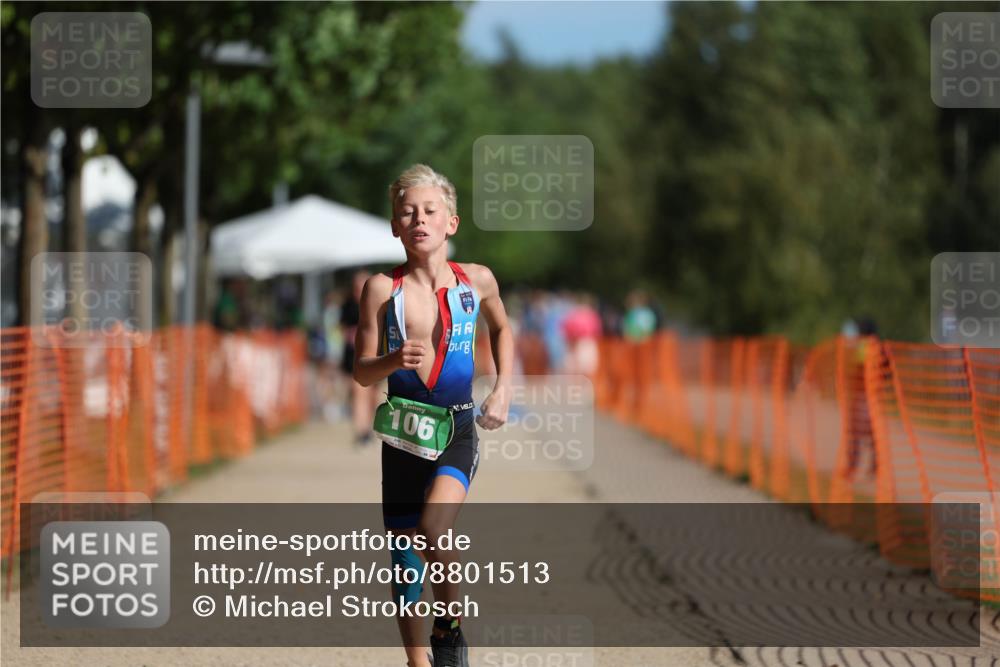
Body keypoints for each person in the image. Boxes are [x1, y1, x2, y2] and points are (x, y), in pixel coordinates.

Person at [353, 164, 513, 667]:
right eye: (407, 212)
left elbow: (504, 330)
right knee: (404, 562)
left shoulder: (478, 280)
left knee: (433, 529)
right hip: (403, 434)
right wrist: (392, 361)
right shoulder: (382, 290)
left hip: (457, 428)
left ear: (452, 223)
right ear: (395, 227)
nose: (419, 219)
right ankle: (418, 662)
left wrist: (504, 389)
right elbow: (360, 372)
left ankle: (450, 625)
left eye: (429, 211)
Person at [342, 271, 381, 445]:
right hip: (353, 356)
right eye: (357, 285)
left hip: (377, 355)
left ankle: (370, 426)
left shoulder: (378, 302)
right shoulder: (348, 305)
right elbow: (342, 327)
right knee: (358, 392)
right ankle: (360, 429)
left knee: (373, 394)